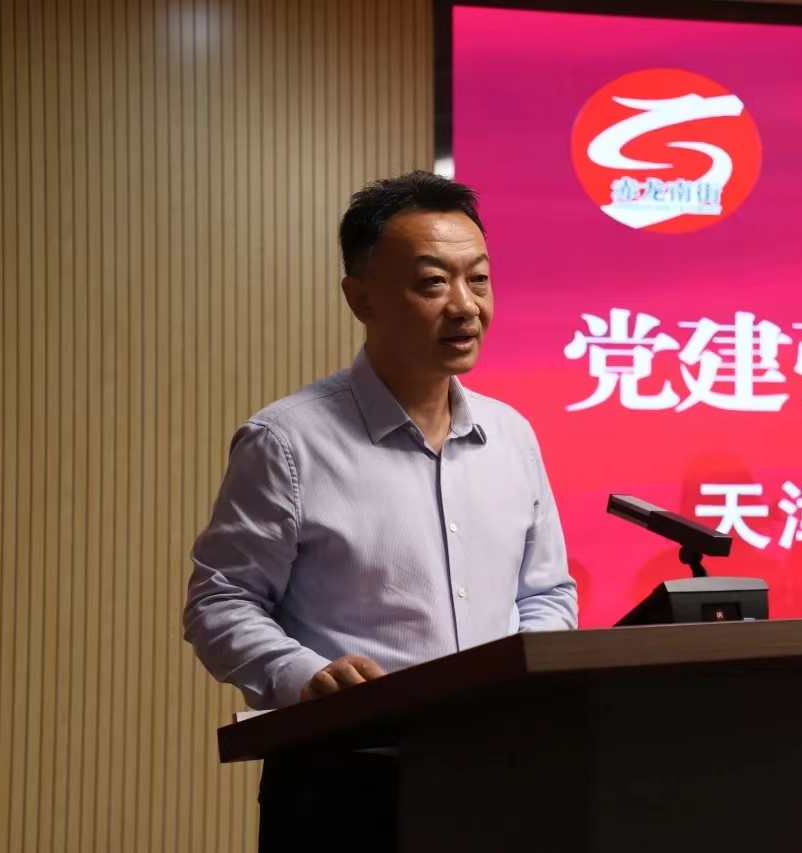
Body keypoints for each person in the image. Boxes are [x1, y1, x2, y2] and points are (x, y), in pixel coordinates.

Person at [182, 171, 578, 852]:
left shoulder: (512, 435)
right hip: (344, 782)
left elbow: (545, 593)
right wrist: (303, 674)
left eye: (479, 280)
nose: (465, 307)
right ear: (359, 297)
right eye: (433, 283)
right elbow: (219, 602)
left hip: (503, 772)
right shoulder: (287, 441)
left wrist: (528, 680)